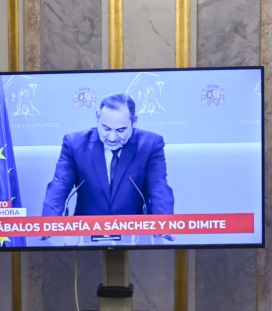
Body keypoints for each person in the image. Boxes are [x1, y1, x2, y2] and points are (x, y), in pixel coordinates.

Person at [40, 93, 175, 221]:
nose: (112, 137)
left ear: (134, 122)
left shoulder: (150, 145)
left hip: (136, 235)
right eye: (106, 128)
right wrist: (48, 223)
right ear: (97, 118)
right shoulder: (74, 144)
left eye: (121, 130)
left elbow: (158, 187)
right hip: (86, 235)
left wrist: (165, 222)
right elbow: (59, 185)